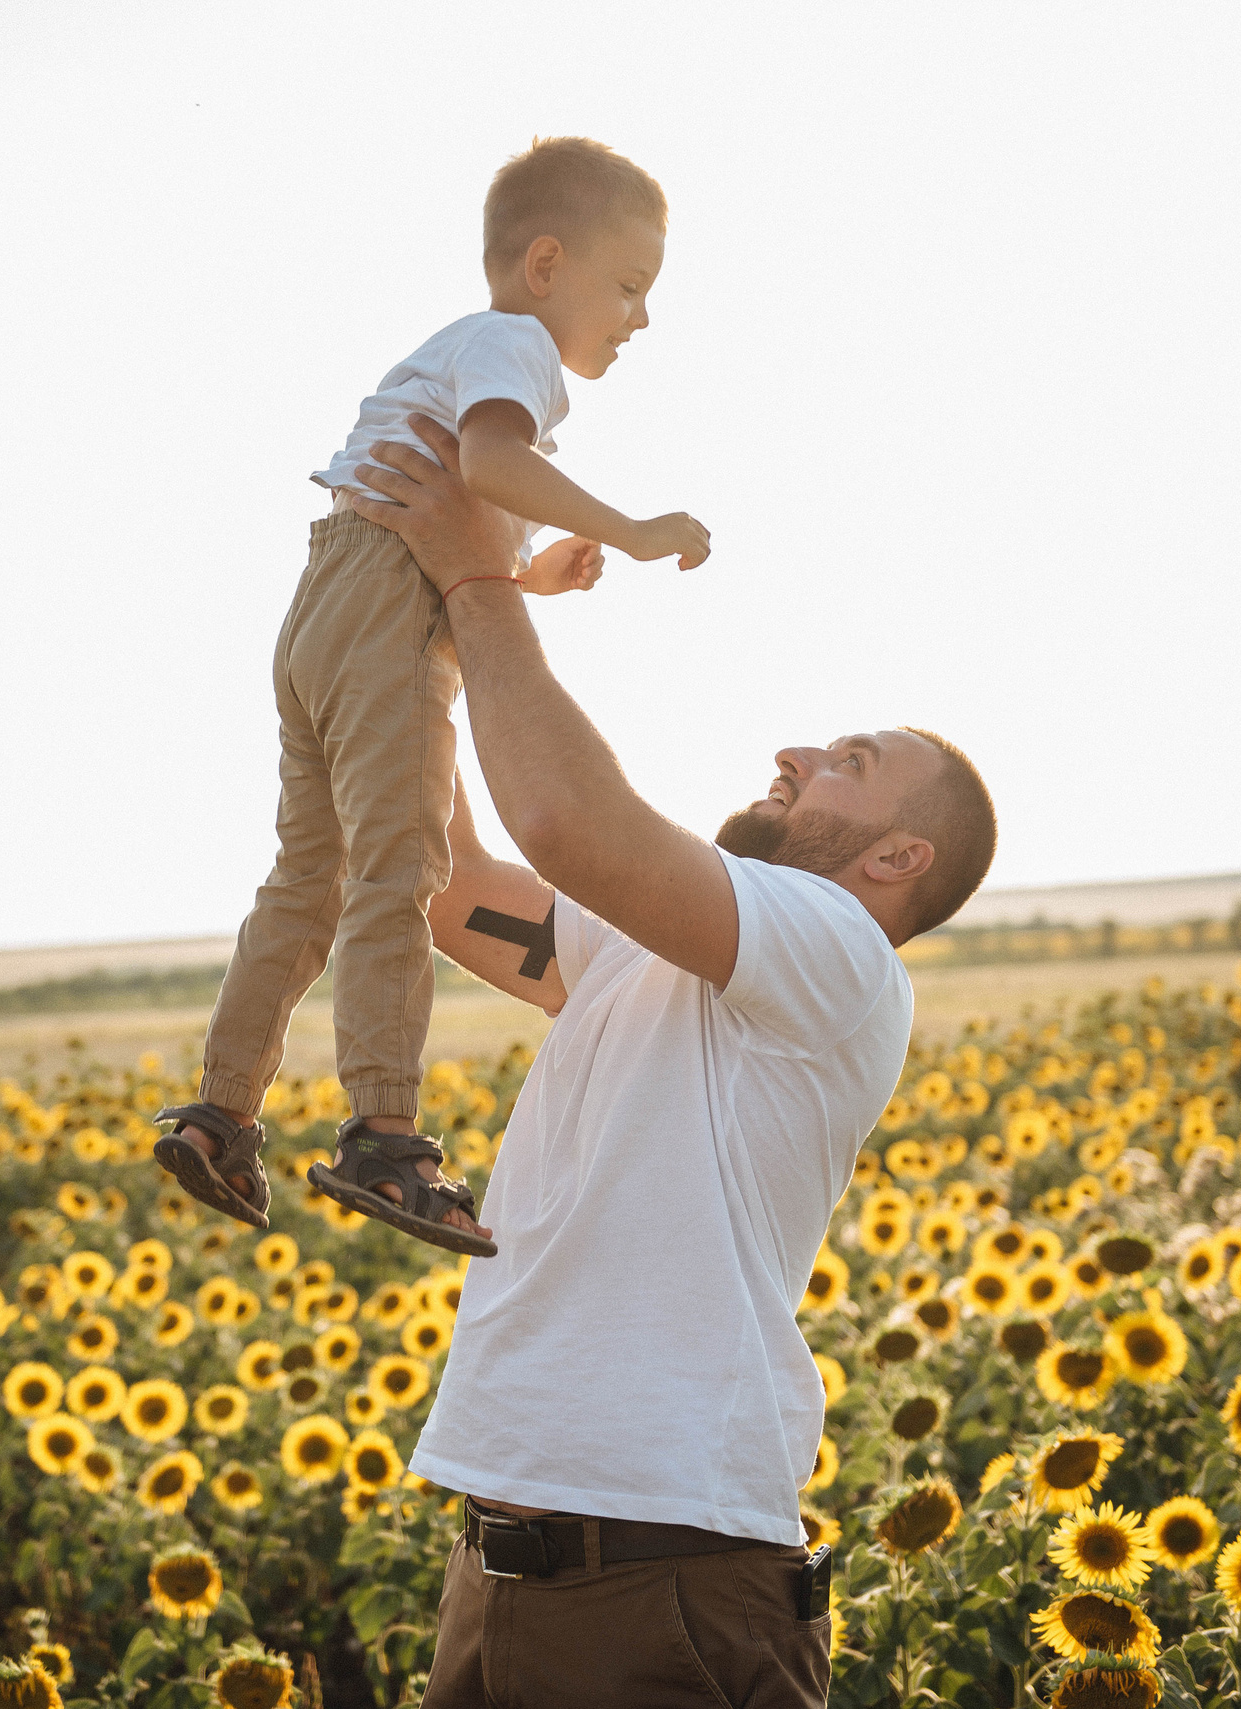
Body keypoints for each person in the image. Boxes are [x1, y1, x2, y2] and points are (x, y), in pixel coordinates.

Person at [352, 418, 997, 1707]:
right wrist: (409, 628)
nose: (799, 752)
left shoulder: (834, 952)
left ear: (895, 861)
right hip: (507, 1565)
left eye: (847, 765)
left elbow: (564, 820)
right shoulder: (654, 949)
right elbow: (446, 880)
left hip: (666, 1584)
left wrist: (477, 571)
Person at [153, 137, 710, 1258]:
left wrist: (528, 569)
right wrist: (629, 529)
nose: (640, 319)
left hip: (325, 604)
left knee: (306, 878)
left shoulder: (461, 346)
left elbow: (454, 508)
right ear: (546, 263)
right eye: (631, 286)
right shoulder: (517, 344)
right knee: (404, 867)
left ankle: (220, 1113)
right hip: (381, 612)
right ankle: (384, 1133)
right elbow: (492, 464)